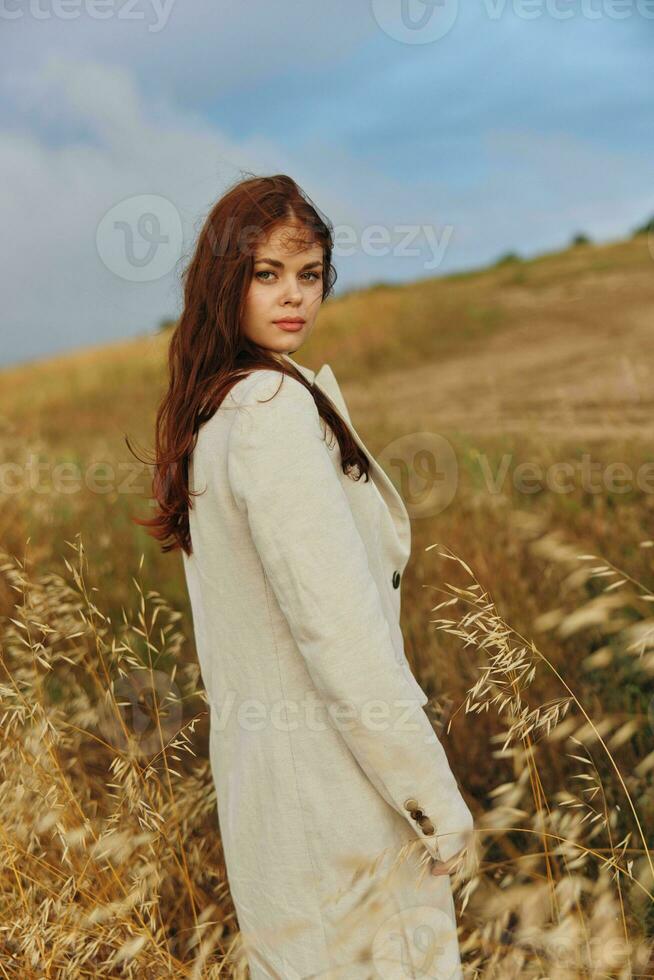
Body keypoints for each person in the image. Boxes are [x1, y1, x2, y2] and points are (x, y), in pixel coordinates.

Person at [141, 174, 477, 978]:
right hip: (339, 800)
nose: (293, 297)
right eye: (266, 274)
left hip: (271, 798)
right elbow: (339, 630)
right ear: (226, 281)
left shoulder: (217, 412)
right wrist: (430, 795)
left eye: (309, 273)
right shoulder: (269, 412)